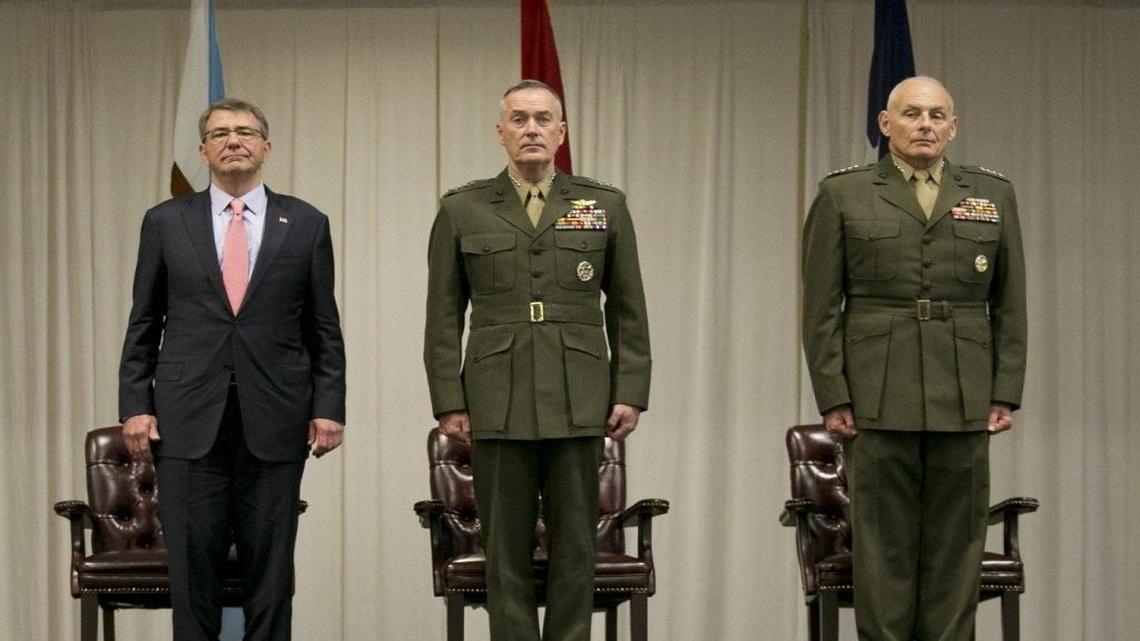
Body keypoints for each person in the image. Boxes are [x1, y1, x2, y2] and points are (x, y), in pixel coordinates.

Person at [423, 79, 651, 641]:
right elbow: (444, 314)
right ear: (500, 133)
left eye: (543, 119)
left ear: (561, 132)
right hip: (496, 394)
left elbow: (628, 307)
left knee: (577, 545)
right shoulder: (463, 208)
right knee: (505, 550)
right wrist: (449, 399)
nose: (532, 129)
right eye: (519, 120)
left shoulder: (601, 205)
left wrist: (630, 389)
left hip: (579, 391)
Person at [801, 76, 1027, 641]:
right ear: (885, 123)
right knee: (882, 549)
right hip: (876, 395)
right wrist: (834, 394)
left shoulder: (991, 194)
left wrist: (1004, 390)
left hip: (963, 392)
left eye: (936, 115)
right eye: (911, 114)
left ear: (953, 126)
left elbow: (1011, 302)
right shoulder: (842, 194)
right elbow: (821, 306)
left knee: (957, 547)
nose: (924, 124)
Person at [118, 98, 346, 641]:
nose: (233, 140)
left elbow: (324, 328)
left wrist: (328, 408)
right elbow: (144, 320)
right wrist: (135, 405)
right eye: (220, 133)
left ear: (267, 146)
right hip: (186, 421)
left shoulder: (307, 222)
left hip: (277, 421)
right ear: (203, 151)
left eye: (246, 132)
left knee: (271, 576)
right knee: (192, 574)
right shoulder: (166, 221)